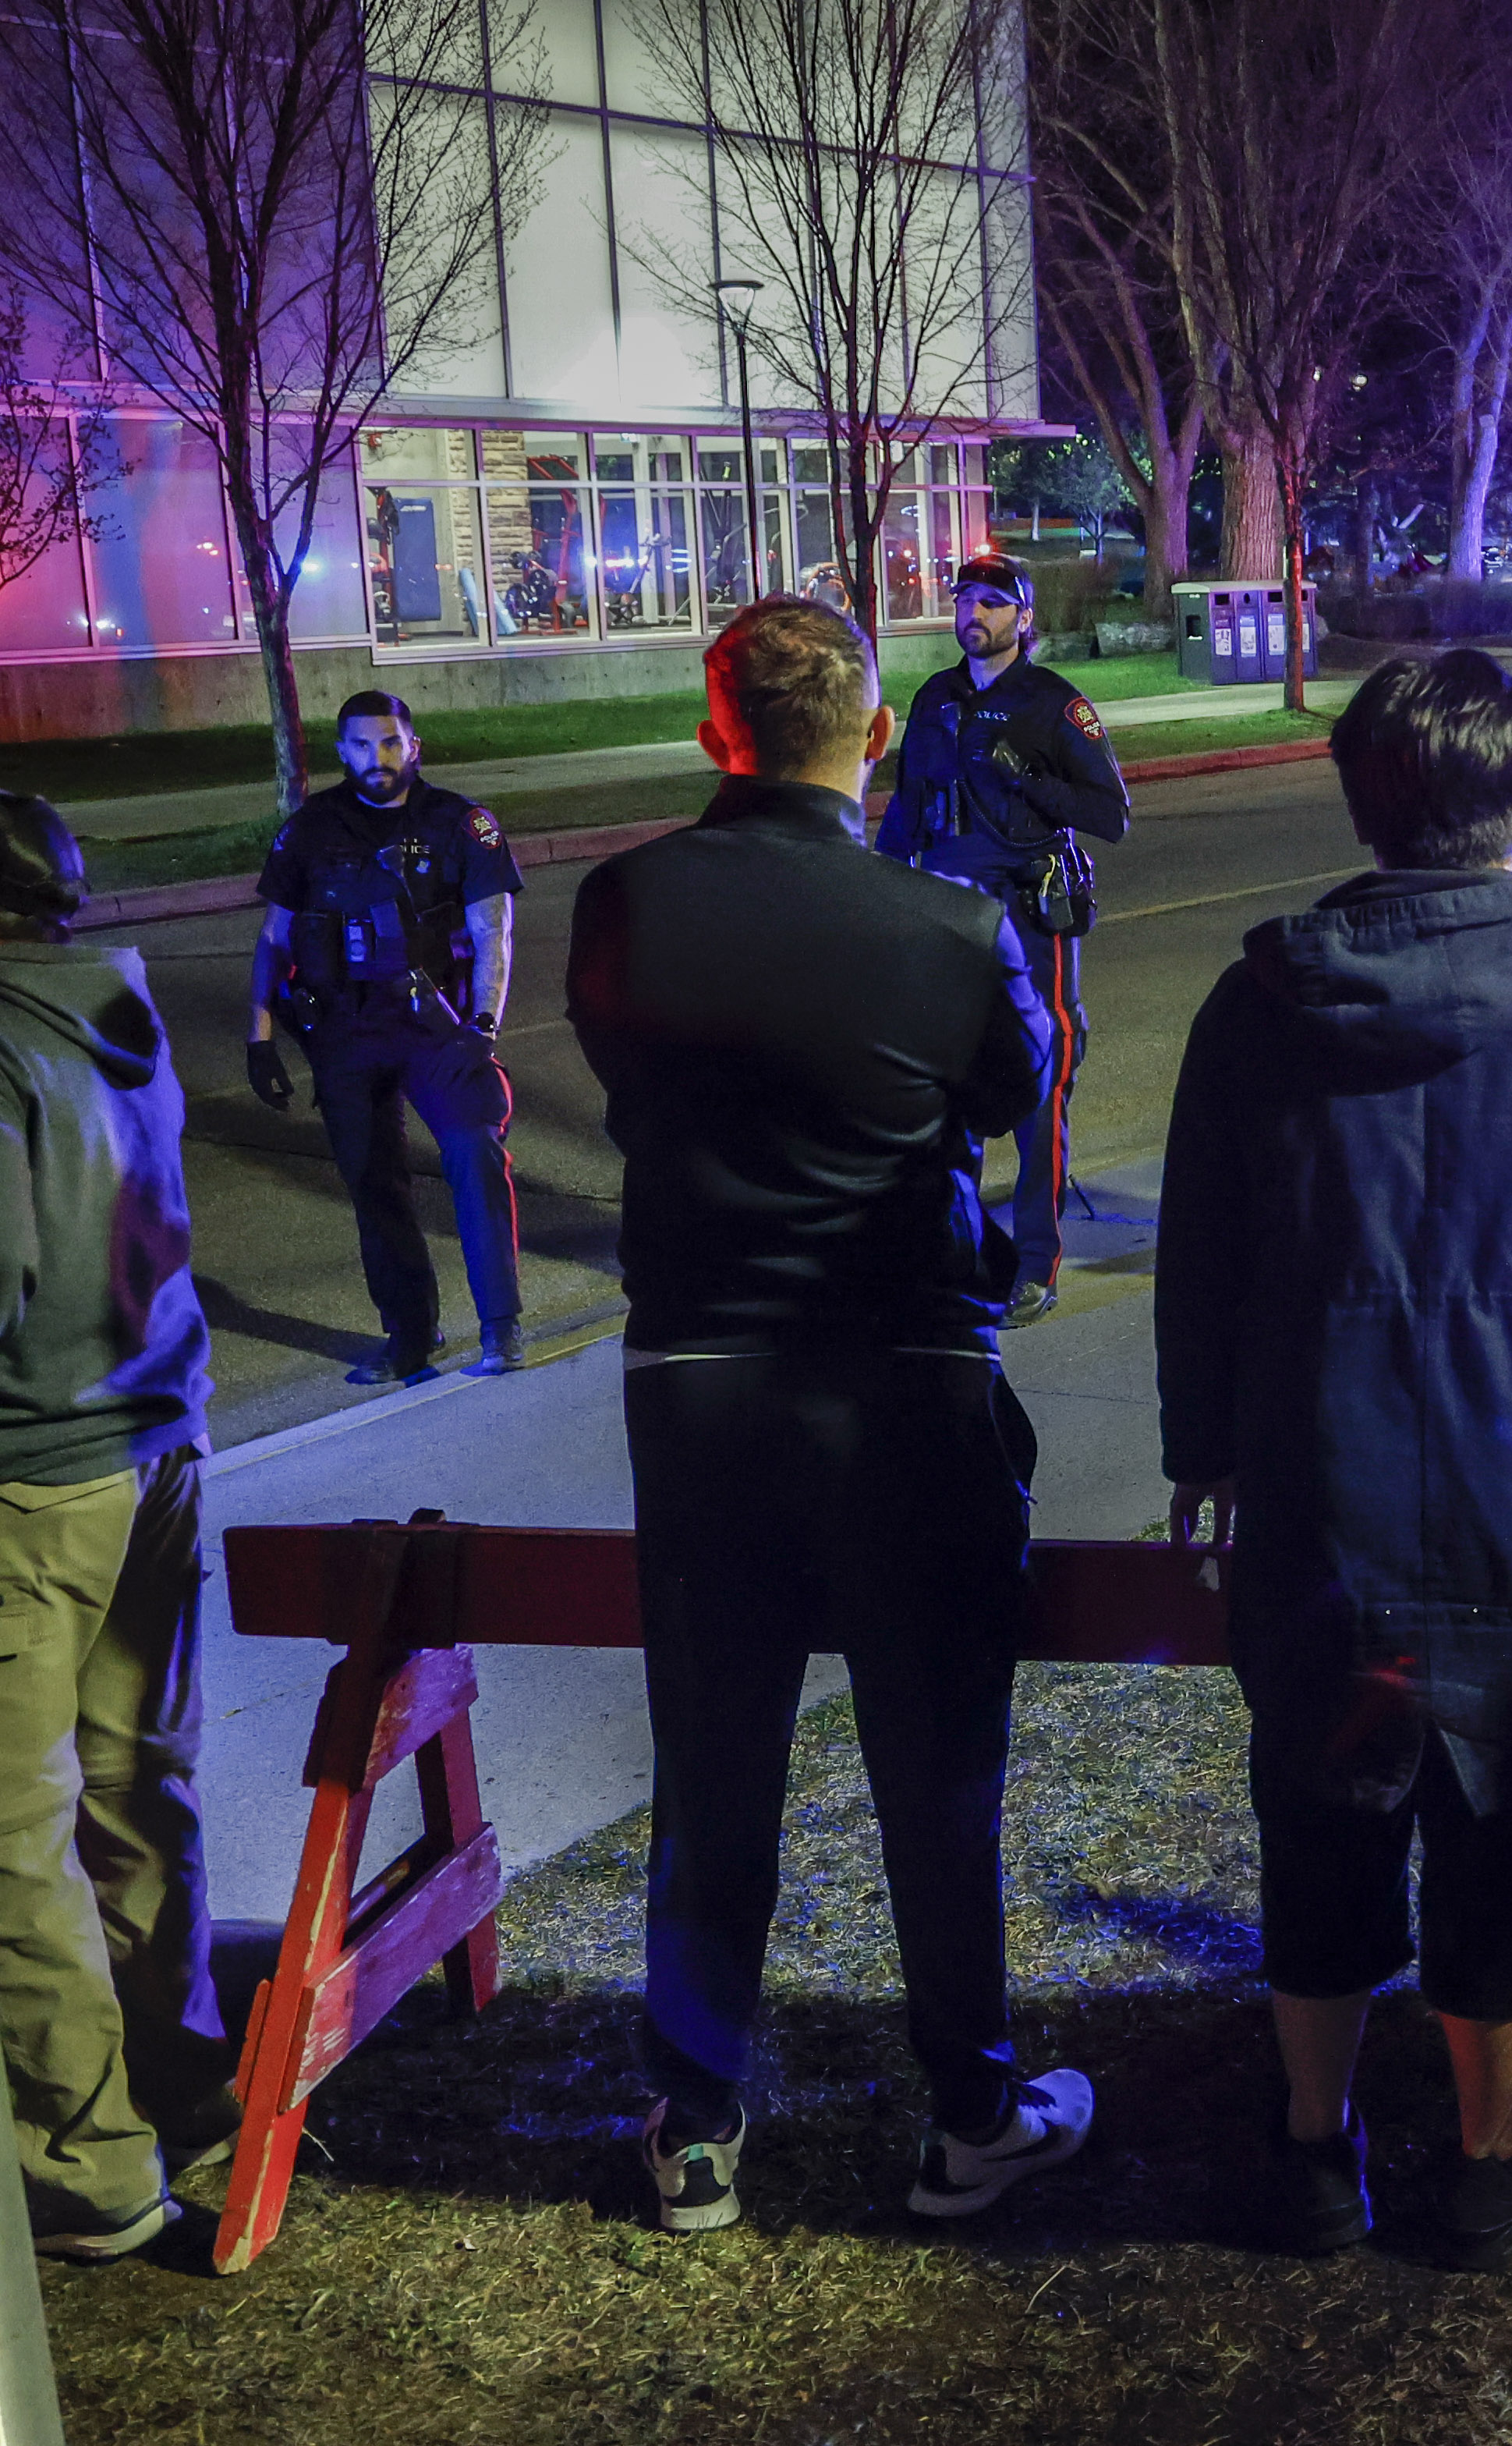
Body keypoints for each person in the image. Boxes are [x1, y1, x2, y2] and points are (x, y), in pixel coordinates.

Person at [1156, 647, 1512, 2273]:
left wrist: (1200, 1446)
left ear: (1359, 799)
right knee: (1511, 1821)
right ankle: (1491, 2158)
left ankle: (1312, 2146)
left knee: (1322, 1808)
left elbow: (1199, 1248)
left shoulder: (1262, 994)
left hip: (1322, 1490)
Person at [568, 597, 1090, 2234]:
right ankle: (970, 2107)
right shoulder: (944, 927)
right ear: (872, 738)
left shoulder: (622, 904)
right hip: (907, 1381)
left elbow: (628, 1077)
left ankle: (701, 2116)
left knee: (714, 1752)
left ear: (716, 732)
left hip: (702, 1386)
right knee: (937, 1763)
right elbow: (1016, 1090)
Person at [0, 793, 225, 2263]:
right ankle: (182, 2076)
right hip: (154, 1443)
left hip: (30, 1474)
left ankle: (91, 2171)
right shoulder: (110, 1004)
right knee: (139, 1787)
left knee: (15, 1835)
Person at [876, 551, 1133, 1328]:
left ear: (1025, 619)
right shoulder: (936, 699)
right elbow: (909, 806)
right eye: (964, 600)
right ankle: (958, 1255)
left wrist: (1029, 777)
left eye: (991, 602)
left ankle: (1034, 1264)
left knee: (1037, 1095)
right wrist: (878, 894)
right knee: (947, 1094)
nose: (973, 614)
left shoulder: (1055, 704)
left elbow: (1111, 814)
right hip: (947, 918)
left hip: (1028, 922)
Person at [243, 690, 527, 1384]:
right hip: (344, 1031)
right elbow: (275, 938)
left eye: (392, 742)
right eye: (364, 745)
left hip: (438, 1028)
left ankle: (502, 1326)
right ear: (342, 751)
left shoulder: (463, 824)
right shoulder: (311, 829)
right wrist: (259, 1034)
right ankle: (408, 1335)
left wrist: (483, 1026)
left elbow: (494, 931)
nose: (380, 758)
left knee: (474, 1150)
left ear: (415, 745)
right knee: (374, 1184)